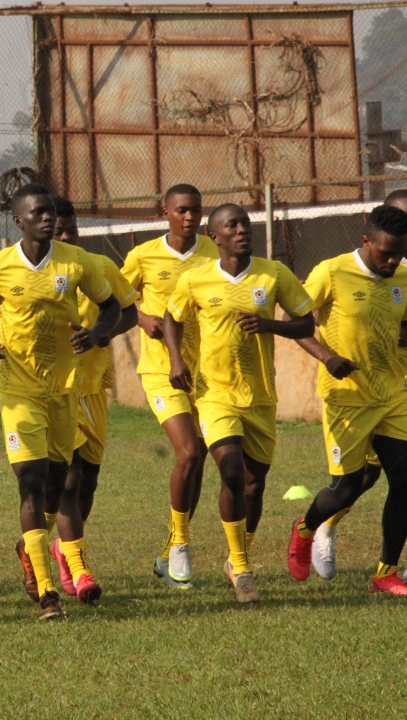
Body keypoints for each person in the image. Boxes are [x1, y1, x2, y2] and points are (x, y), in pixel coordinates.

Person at [0, 184, 120, 619]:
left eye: (51, 212)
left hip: (65, 389)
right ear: (19, 220)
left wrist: (95, 334)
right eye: (38, 213)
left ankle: (29, 550)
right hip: (18, 390)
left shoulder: (76, 262)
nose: (48, 218)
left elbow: (111, 306)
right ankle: (49, 592)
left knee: (59, 484)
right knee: (30, 481)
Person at [165, 204, 314, 603]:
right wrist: (176, 360)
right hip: (215, 394)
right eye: (232, 225)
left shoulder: (274, 274)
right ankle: (243, 568)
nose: (242, 229)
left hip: (260, 397)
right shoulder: (196, 278)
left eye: (246, 223)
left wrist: (269, 324)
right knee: (230, 470)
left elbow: (306, 322)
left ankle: (236, 558)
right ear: (214, 236)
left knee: (253, 485)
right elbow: (172, 317)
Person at [286, 204, 407, 595]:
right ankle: (306, 529)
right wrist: (327, 357)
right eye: (386, 253)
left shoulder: (403, 276)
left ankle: (386, 573)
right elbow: (296, 322)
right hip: (347, 399)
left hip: (392, 395)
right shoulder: (331, 272)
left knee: (405, 482)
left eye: (399, 253)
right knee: (347, 489)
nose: (393, 261)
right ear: (366, 240)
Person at [34, 198, 138, 598]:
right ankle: (79, 569)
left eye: (71, 231)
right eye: (58, 231)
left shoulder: (99, 267)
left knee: (87, 483)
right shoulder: (34, 271)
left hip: (92, 388)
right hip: (54, 389)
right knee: (70, 477)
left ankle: (51, 545)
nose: (64, 237)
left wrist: (99, 333)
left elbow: (128, 312)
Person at [121, 183, 218, 589]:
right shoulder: (142, 256)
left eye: (195, 210)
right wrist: (142, 318)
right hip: (161, 370)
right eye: (181, 210)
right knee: (188, 451)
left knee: (198, 462)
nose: (190, 217)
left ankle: (167, 553)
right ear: (165, 213)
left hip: (207, 373)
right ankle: (180, 546)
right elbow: (116, 299)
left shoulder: (214, 252)